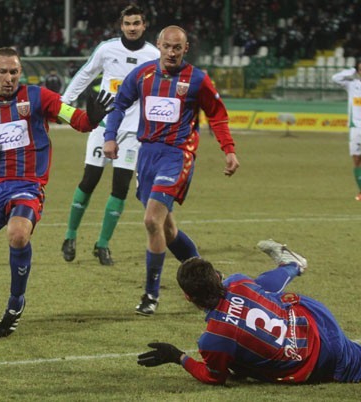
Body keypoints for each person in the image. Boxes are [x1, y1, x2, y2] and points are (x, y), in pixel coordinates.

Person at [0, 47, 114, 338]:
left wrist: (92, 119)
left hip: (26, 186)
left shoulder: (38, 96)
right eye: (3, 72)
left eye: (14, 72)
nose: (9, 78)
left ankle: (15, 303)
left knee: (19, 234)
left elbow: (78, 120)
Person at [103, 25, 240, 315]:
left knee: (152, 220)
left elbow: (217, 115)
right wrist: (110, 136)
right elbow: (119, 104)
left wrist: (228, 149)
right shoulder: (143, 75)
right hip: (147, 156)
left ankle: (151, 296)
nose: (172, 52)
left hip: (177, 156)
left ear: (186, 49)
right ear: (159, 45)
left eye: (178, 47)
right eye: (167, 46)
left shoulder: (197, 80)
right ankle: (211, 282)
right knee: (167, 228)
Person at [137, 239, 361, 384]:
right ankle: (291, 266)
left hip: (318, 357)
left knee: (233, 354)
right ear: (217, 276)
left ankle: (291, 265)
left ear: (188, 297)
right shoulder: (238, 282)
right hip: (315, 318)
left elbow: (213, 377)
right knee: (263, 291)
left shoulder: (213, 340)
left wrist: (178, 356)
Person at [60, 4, 160, 266]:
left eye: (136, 23)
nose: (132, 28)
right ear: (121, 25)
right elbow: (85, 74)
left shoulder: (153, 55)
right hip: (102, 126)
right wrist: (64, 104)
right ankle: (70, 236)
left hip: (132, 131)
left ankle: (102, 244)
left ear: (144, 25)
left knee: (121, 187)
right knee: (90, 180)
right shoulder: (107, 48)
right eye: (128, 24)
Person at [332, 60, 361, 201]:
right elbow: (335, 78)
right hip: (356, 127)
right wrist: (352, 71)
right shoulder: (352, 85)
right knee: (356, 159)